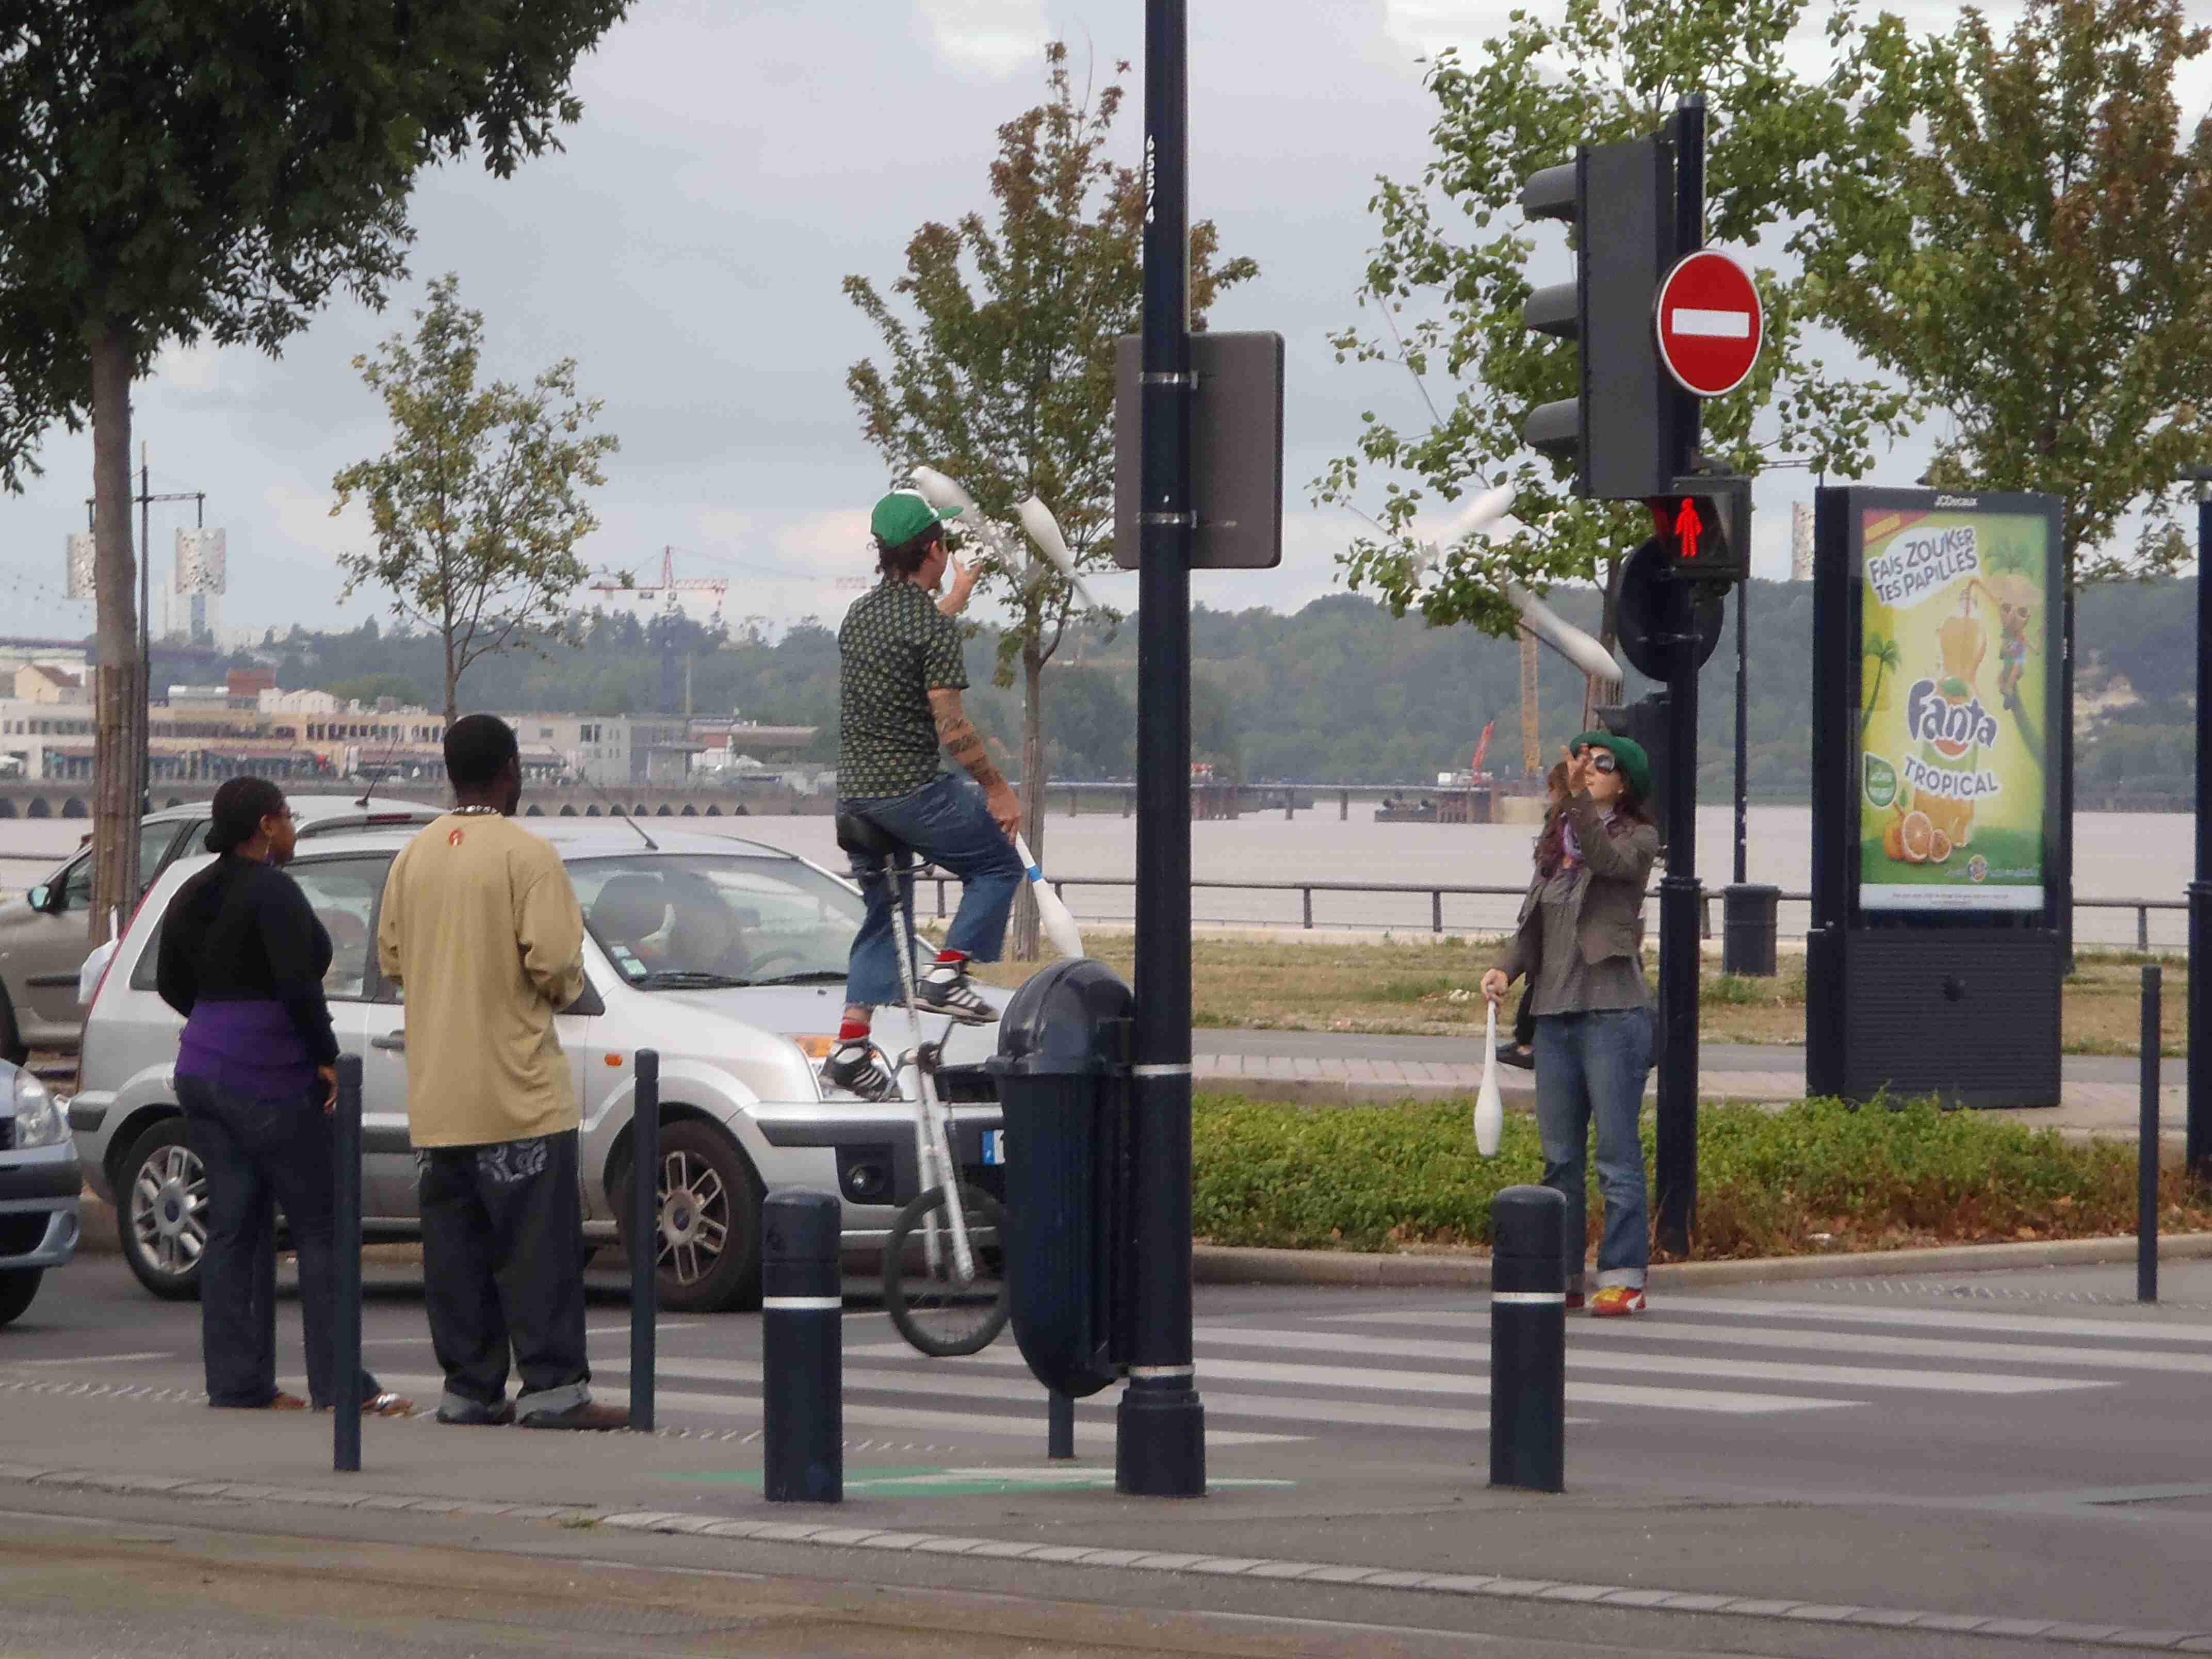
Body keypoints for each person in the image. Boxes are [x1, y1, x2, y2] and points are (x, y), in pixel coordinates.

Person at [377, 714, 626, 1430]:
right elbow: (556, 967)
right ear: (511, 770)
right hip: (520, 1094)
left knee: (456, 1260)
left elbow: (392, 960)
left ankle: (469, 1390)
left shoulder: (413, 859)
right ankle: (552, 1391)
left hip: (437, 1098)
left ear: (450, 773)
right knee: (537, 1254)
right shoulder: (528, 856)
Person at [156, 776, 409, 1417]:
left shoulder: (192, 891)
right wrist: (324, 1057)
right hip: (267, 1077)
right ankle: (339, 1387)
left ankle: (238, 1385)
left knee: (233, 1229)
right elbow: (300, 987)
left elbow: (169, 981)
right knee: (322, 1226)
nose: (292, 827)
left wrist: (217, 1023)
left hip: (201, 1069)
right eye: (288, 817)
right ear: (267, 827)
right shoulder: (274, 890)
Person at [820, 489, 1023, 1101]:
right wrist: (997, 789)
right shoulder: (929, 628)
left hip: (855, 802)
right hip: (909, 792)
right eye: (946, 544)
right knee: (997, 865)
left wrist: (956, 598)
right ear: (934, 549)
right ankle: (947, 973)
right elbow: (952, 728)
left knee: (884, 915)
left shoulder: (859, 615)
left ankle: (849, 1049)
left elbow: (910, 639)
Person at [1481, 733, 1659, 1317]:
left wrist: (1576, 799)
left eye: (1603, 764)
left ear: (1624, 781)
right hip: (1553, 1018)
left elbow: (1606, 860)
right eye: (1584, 761)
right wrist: (1504, 970)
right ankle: (1563, 1276)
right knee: (1560, 1157)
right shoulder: (1558, 843)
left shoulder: (1637, 839)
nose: (1591, 770)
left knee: (1616, 1154)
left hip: (1613, 1013)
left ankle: (1625, 1277)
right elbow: (1530, 928)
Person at [1495, 760, 1571, 1072]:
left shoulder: (1571, 830)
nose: (1549, 795)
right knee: (1535, 987)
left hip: (1555, 945)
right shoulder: (1556, 828)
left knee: (1537, 990)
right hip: (1542, 933)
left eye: (1553, 789)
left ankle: (1529, 1045)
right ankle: (1528, 1042)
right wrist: (1505, 968)